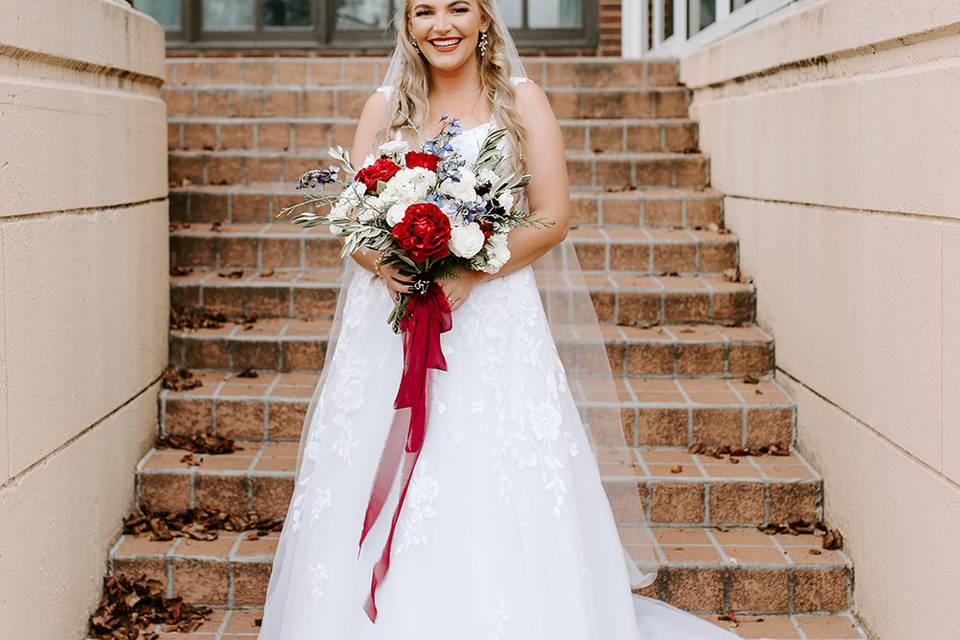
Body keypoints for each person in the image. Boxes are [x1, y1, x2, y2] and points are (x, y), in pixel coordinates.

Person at [256, 0, 742, 637]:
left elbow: (552, 214)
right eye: (423, 10)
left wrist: (471, 268)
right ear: (406, 24)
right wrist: (387, 264)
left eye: (459, 7)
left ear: (485, 18)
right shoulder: (383, 109)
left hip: (491, 319)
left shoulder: (520, 100)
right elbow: (355, 221)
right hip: (391, 325)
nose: (443, 25)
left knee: (489, 471)